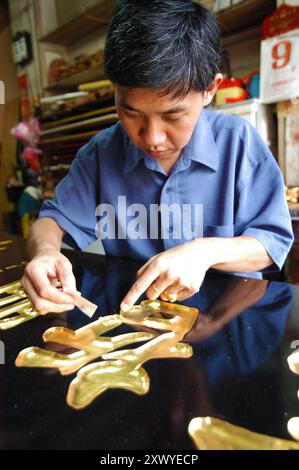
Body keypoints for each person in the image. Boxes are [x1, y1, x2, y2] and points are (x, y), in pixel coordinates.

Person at [21, 0, 293, 315]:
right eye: (130, 112)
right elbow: (51, 220)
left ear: (209, 90)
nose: (152, 138)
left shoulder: (239, 143)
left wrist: (203, 253)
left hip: (229, 320)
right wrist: (45, 252)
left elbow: (271, 243)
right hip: (136, 321)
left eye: (173, 116)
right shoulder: (100, 153)